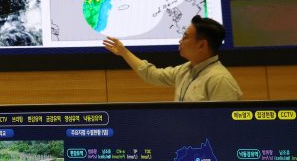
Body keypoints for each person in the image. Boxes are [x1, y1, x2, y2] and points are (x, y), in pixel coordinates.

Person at [102, 15, 242, 102]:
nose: (180, 41)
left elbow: (226, 125)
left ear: (201, 45)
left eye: (185, 37)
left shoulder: (220, 80)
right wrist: (123, 52)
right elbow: (151, 75)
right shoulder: (185, 70)